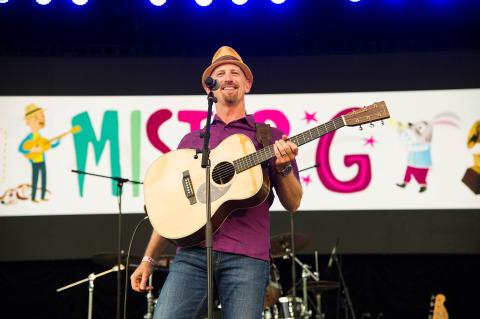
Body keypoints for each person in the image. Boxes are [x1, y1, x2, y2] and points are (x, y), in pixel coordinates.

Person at [131, 46, 303, 319]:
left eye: (235, 72)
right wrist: (148, 259)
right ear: (210, 89)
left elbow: (293, 203)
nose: (228, 77)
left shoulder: (269, 136)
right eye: (220, 73)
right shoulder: (191, 142)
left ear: (247, 84)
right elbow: (170, 210)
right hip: (192, 255)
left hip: (247, 256)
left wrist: (283, 170)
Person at [18, 103, 60, 202]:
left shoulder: (40, 136)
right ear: (28, 122)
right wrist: (31, 150)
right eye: (36, 118)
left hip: (42, 160)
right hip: (35, 162)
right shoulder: (29, 137)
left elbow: (48, 146)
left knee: (44, 179)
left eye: (42, 116)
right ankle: (33, 198)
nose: (41, 119)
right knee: (35, 180)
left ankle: (42, 196)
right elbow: (21, 149)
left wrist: (57, 142)